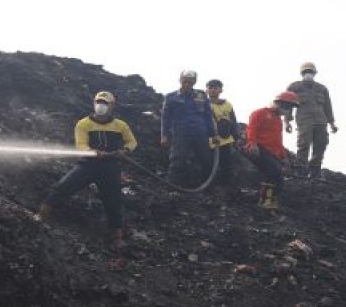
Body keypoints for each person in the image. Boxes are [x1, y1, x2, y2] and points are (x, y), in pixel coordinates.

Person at [37, 91, 138, 248]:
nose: (101, 106)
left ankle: (117, 236)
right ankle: (40, 217)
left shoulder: (121, 125)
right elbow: (81, 145)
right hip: (88, 165)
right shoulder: (83, 124)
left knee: (113, 202)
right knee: (62, 187)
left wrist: (125, 150)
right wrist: (93, 152)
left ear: (112, 106)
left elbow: (132, 142)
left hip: (110, 168)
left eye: (105, 103)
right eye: (99, 102)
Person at [160, 70, 219, 188]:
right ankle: (173, 188)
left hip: (201, 133)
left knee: (206, 160)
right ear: (180, 80)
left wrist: (213, 134)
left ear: (195, 81)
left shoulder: (201, 95)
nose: (187, 84)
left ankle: (207, 189)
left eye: (190, 81)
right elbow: (165, 118)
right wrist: (164, 135)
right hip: (180, 134)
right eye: (185, 81)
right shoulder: (171, 97)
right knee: (178, 160)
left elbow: (208, 116)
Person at [243, 91, 298, 210]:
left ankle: (271, 202)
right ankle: (265, 201)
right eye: (287, 106)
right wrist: (252, 143)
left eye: (290, 107)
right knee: (273, 171)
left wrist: (284, 157)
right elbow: (252, 129)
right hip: (259, 149)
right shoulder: (260, 113)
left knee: (279, 177)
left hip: (272, 152)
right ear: (279, 103)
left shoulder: (278, 120)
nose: (288, 110)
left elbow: (278, 141)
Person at [286, 61, 338, 179]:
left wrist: (332, 123)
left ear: (314, 73)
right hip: (304, 121)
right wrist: (287, 121)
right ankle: (301, 171)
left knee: (321, 145)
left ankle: (315, 171)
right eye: (306, 71)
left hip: (321, 121)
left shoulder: (322, 89)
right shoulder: (294, 87)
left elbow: (328, 107)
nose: (308, 73)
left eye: (310, 71)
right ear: (302, 73)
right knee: (303, 145)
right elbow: (287, 104)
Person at [205, 79, 239, 188]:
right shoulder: (203, 104)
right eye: (210, 88)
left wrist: (236, 136)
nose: (212, 90)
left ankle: (226, 187)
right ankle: (210, 187)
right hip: (209, 140)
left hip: (225, 140)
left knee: (226, 164)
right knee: (209, 164)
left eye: (215, 88)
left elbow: (233, 121)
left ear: (220, 90)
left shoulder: (227, 104)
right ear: (207, 90)